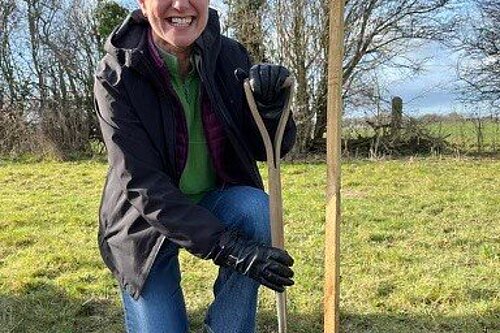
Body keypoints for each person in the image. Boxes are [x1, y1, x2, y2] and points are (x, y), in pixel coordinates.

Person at [93, 0, 297, 332]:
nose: (181, 5)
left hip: (214, 201)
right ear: (143, 4)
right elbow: (142, 183)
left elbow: (268, 148)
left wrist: (271, 110)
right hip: (145, 223)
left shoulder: (229, 57)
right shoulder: (116, 74)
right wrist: (230, 249)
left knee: (257, 210)